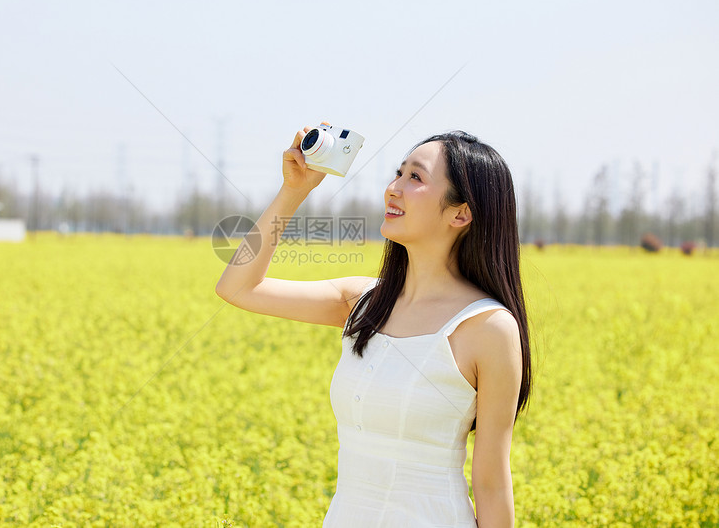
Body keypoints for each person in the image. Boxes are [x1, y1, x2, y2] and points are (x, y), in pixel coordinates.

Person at [215, 125, 532, 528]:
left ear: (461, 212)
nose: (393, 188)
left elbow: (491, 485)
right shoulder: (361, 303)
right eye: (398, 174)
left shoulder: (488, 328)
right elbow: (238, 287)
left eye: (415, 177)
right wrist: (294, 192)